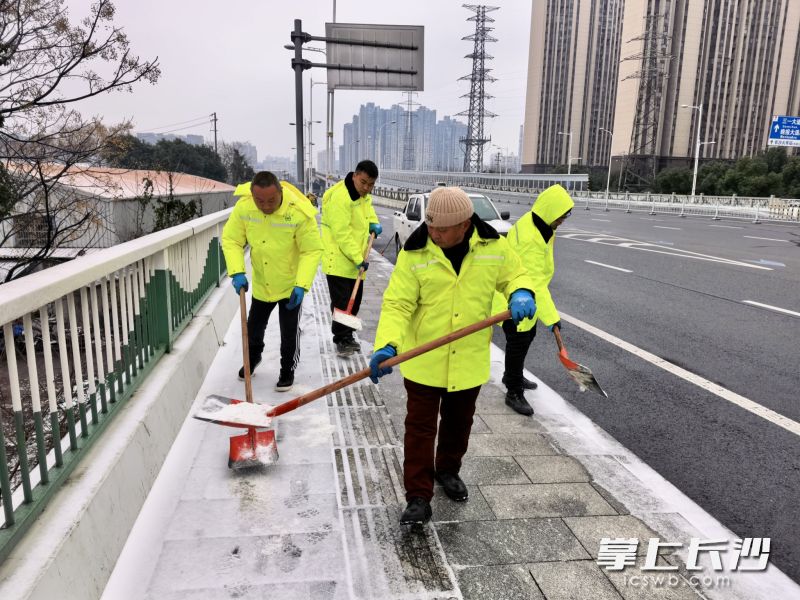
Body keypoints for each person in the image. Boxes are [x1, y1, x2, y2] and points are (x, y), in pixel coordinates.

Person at [368, 186, 536, 525]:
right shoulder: (415, 253)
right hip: (424, 361)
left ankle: (447, 470)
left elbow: (516, 275)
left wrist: (520, 291)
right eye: (431, 226)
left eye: (442, 229)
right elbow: (398, 304)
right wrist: (387, 345)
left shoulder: (494, 248)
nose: (434, 233)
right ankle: (417, 495)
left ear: (465, 224)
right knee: (419, 429)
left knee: (459, 425)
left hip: (469, 358)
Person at [221, 171, 323, 392]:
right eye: (260, 201)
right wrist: (237, 271)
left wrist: (302, 284)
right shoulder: (245, 208)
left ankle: (288, 368)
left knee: (289, 332)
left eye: (271, 200)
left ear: (280, 192)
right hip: (262, 281)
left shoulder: (298, 212)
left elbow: (311, 250)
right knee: (254, 327)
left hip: (290, 284)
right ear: (252, 195)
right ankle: (253, 358)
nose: (266, 206)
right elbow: (231, 239)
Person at [497, 184, 574, 416]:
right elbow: (534, 283)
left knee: (527, 336)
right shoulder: (530, 237)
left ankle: (513, 375)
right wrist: (552, 319)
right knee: (517, 343)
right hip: (515, 300)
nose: (562, 221)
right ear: (550, 211)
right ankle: (513, 391)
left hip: (525, 298)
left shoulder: (540, 224)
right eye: (561, 216)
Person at [320, 160, 382, 356]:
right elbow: (342, 235)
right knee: (343, 302)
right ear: (355, 175)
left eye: (371, 184)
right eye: (363, 182)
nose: (366, 188)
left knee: (355, 302)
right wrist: (358, 258)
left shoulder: (363, 196)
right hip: (338, 259)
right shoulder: (341, 198)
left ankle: (348, 335)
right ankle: (341, 339)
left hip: (355, 261)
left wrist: (374, 223)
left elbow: (368, 212)